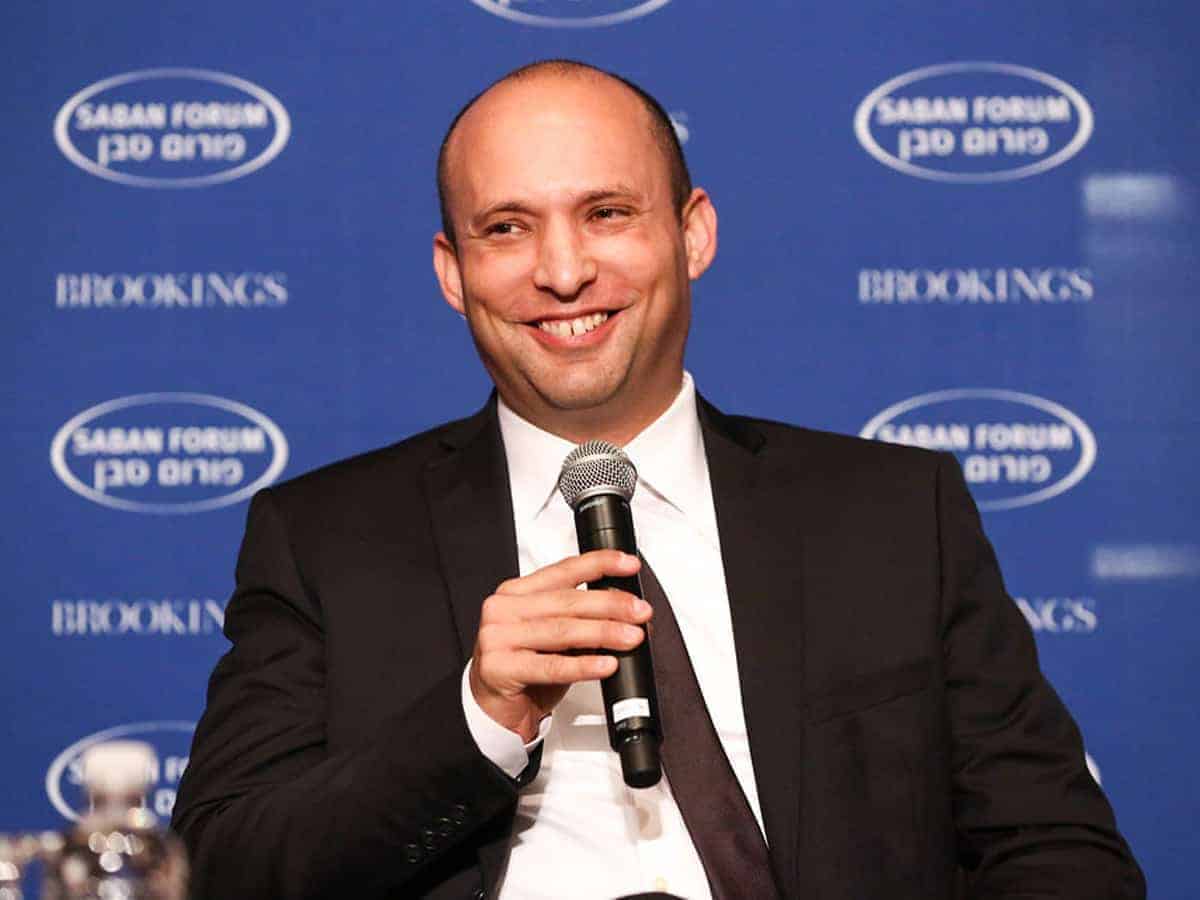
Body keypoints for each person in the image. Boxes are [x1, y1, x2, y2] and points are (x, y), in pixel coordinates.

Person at [172, 59, 1145, 899]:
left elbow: (1057, 854)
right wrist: (480, 716)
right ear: (453, 273)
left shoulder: (894, 515)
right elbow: (220, 867)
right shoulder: (324, 539)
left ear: (693, 234)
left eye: (606, 214)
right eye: (506, 228)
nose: (562, 271)